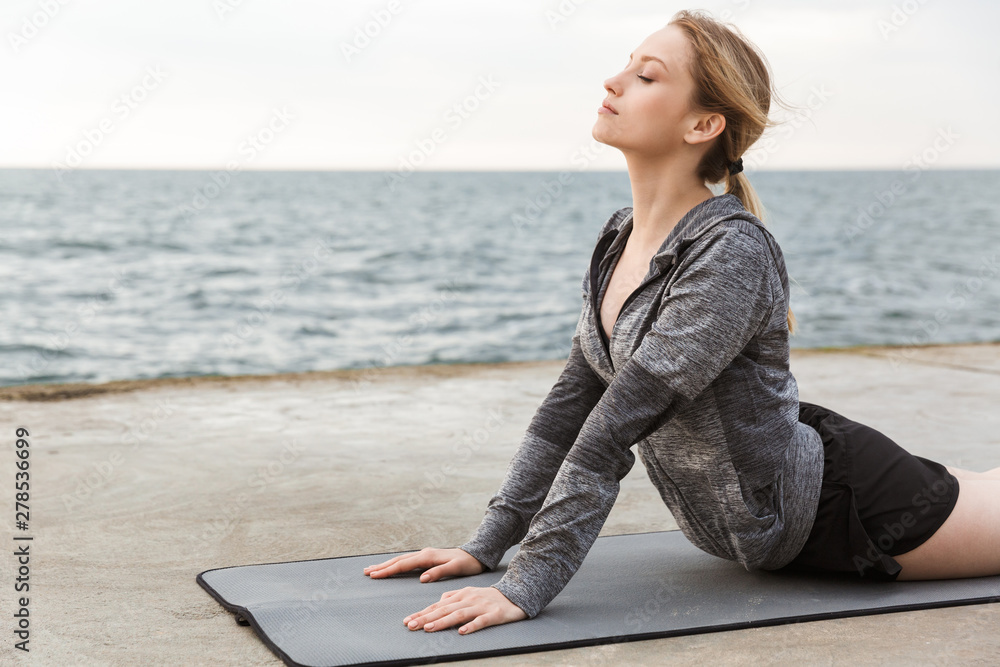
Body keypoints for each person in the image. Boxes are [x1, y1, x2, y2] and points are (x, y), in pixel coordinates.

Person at [362, 9, 1000, 636]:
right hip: (781, 489)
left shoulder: (731, 253)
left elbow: (612, 430)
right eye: (625, 67)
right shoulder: (620, 237)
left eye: (647, 76)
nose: (613, 82)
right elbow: (570, 407)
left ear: (704, 124)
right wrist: (487, 545)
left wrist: (526, 586)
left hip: (848, 508)